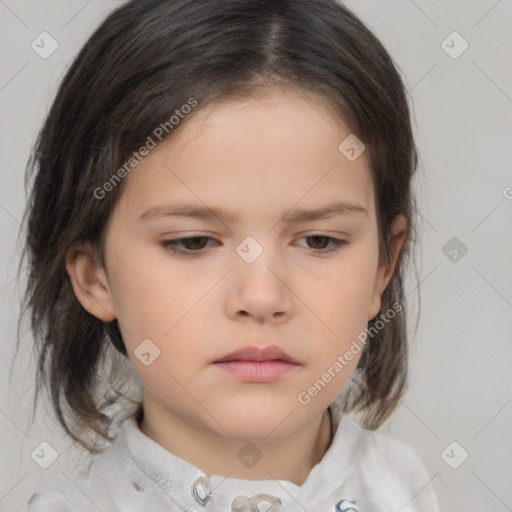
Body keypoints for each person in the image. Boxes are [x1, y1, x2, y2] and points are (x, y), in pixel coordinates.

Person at [18, 0, 440, 510]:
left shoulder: (407, 489)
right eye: (192, 242)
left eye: (319, 241)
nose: (261, 297)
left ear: (382, 266)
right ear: (94, 276)